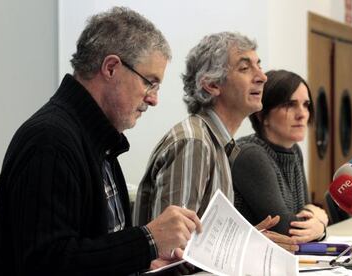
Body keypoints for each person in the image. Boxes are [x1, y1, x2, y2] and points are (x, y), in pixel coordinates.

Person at [0, 7, 202, 275]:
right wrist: (147, 240)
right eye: (150, 83)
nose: (153, 99)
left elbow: (94, 248)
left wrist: (144, 260)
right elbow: (46, 263)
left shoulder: (96, 140)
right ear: (111, 68)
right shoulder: (50, 141)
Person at [133, 32, 298, 252]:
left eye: (259, 65)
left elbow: (202, 243)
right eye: (245, 68)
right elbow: (173, 252)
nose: (262, 77)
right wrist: (244, 247)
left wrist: (246, 241)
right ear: (211, 84)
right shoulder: (195, 143)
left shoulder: (218, 144)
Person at [232, 69, 329, 243]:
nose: (302, 114)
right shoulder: (250, 154)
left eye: (306, 105)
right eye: (290, 105)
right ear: (262, 115)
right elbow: (285, 229)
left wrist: (315, 224)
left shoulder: (293, 151)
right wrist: (321, 223)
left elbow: (305, 212)